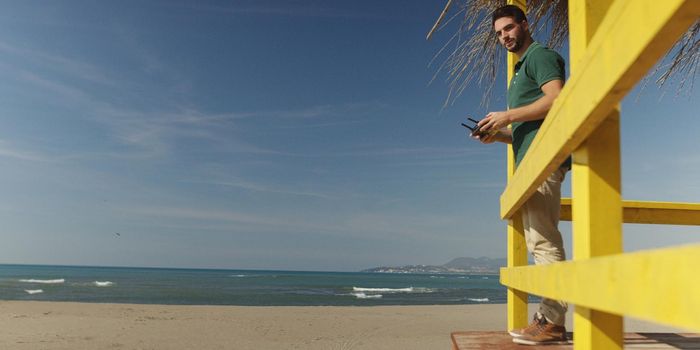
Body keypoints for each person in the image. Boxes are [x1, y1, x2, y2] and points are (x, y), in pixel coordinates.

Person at [473, 5, 570, 346]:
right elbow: (526, 129)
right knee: (537, 242)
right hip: (531, 161)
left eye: (510, 28)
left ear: (525, 25)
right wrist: (496, 133)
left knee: (544, 241)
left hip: (544, 161)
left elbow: (557, 99)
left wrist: (507, 115)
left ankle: (553, 322)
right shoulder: (520, 70)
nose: (505, 37)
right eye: (499, 33)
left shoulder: (540, 55)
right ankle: (546, 317)